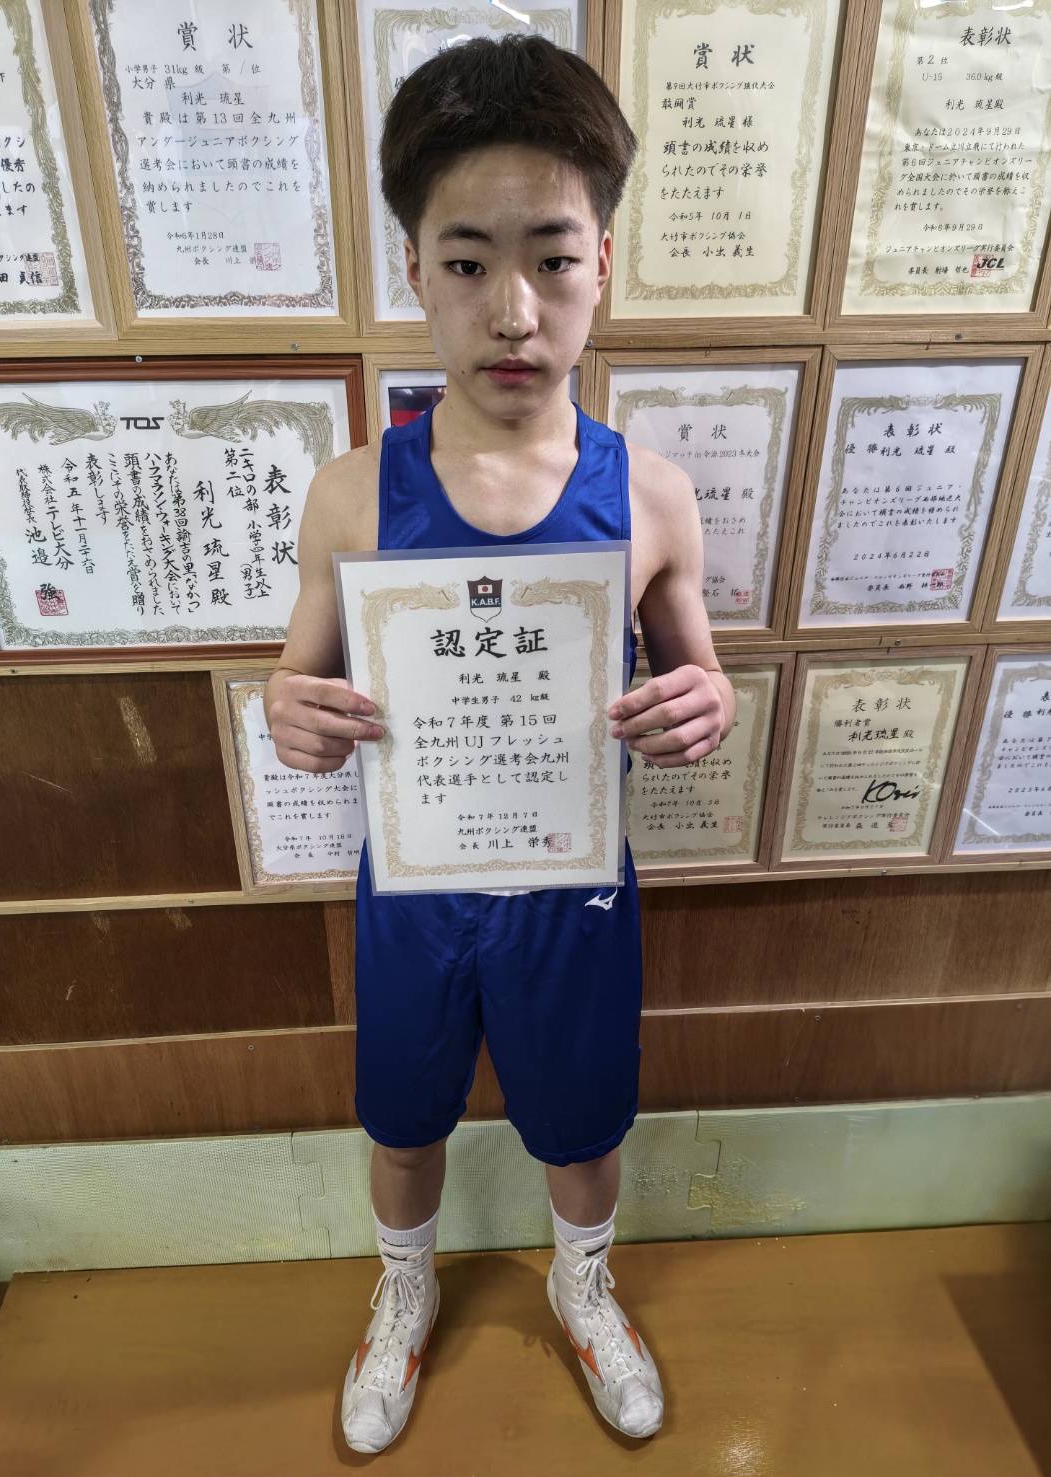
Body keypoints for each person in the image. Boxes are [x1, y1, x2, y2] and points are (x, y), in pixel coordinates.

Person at [264, 33, 736, 1455]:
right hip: (415, 887)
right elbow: (297, 689)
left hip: (572, 885)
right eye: (469, 262)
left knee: (581, 1123)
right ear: (415, 268)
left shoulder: (651, 494)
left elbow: (700, 675)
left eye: (553, 259)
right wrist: (289, 714)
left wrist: (704, 704)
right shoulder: (352, 494)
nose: (514, 311)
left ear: (604, 265)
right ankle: (402, 1289)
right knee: (403, 1116)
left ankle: (583, 1284)